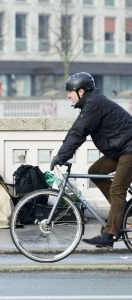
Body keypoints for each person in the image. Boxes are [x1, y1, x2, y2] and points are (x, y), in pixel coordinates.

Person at [50, 72, 132, 249]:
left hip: (129, 150)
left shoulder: (94, 104)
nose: (68, 95)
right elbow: (76, 130)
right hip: (120, 149)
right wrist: (62, 153)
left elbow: (79, 131)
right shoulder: (91, 103)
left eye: (70, 91)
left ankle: (109, 234)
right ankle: (123, 212)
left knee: (118, 191)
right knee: (95, 172)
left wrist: (61, 156)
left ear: (81, 91)